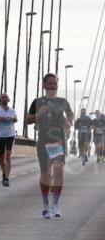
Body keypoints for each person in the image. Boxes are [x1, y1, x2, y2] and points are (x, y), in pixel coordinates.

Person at [27, 73, 74, 218]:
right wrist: (38, 114)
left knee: (58, 169)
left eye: (55, 83)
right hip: (43, 141)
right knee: (45, 173)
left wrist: (69, 121)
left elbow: (71, 114)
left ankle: (56, 204)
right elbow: (28, 120)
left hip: (58, 141)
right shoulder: (37, 101)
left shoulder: (63, 101)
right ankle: (46, 205)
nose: (53, 86)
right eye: (50, 83)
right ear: (44, 85)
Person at [0, 93, 18, 186]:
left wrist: (13, 119)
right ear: (0, 100)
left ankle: (6, 178)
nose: (4, 99)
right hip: (0, 136)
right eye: (3, 98)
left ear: (8, 100)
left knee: (8, 156)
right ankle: (4, 173)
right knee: (1, 158)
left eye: (6, 98)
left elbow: (16, 119)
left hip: (10, 135)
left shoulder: (12, 111)